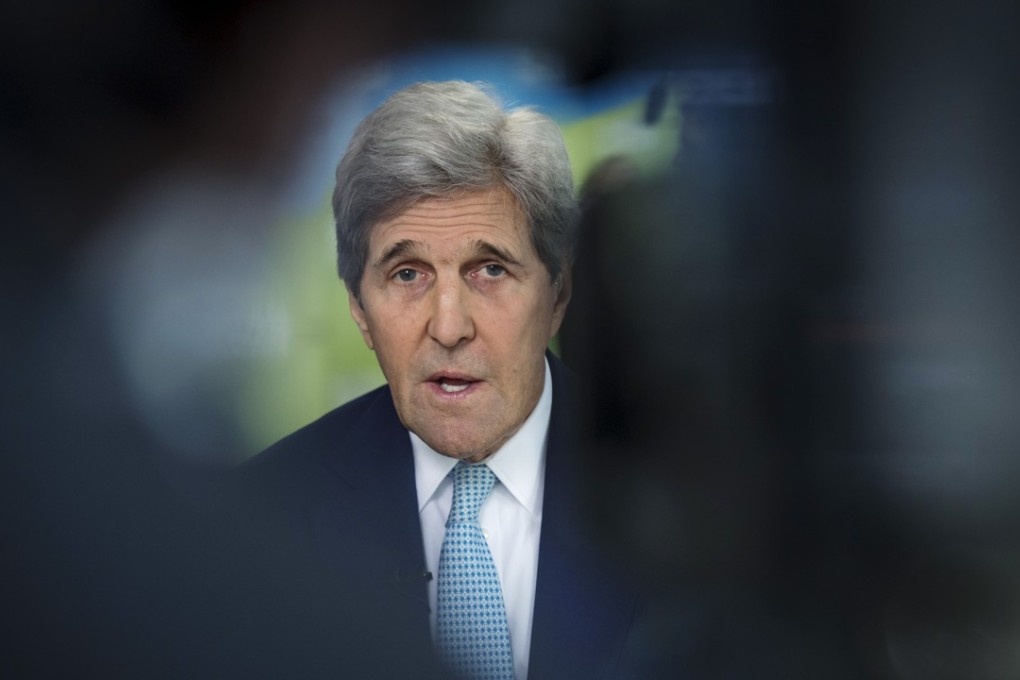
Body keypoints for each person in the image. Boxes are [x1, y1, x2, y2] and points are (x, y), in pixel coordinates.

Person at [241, 81, 637, 680]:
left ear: (557, 294)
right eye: (407, 274)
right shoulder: (257, 520)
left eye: (490, 269)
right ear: (358, 310)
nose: (449, 327)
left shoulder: (686, 495)